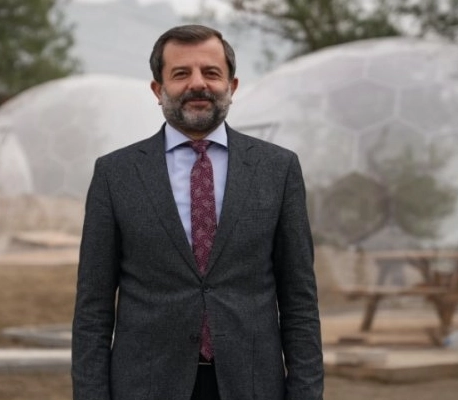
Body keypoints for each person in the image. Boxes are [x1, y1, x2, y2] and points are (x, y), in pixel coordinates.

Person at [71, 24, 323, 400]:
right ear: (158, 89)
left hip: (252, 386)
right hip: (146, 387)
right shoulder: (115, 174)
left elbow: (299, 299)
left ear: (231, 86)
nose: (198, 84)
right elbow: (93, 307)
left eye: (211, 72)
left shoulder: (278, 169)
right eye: (180, 73)